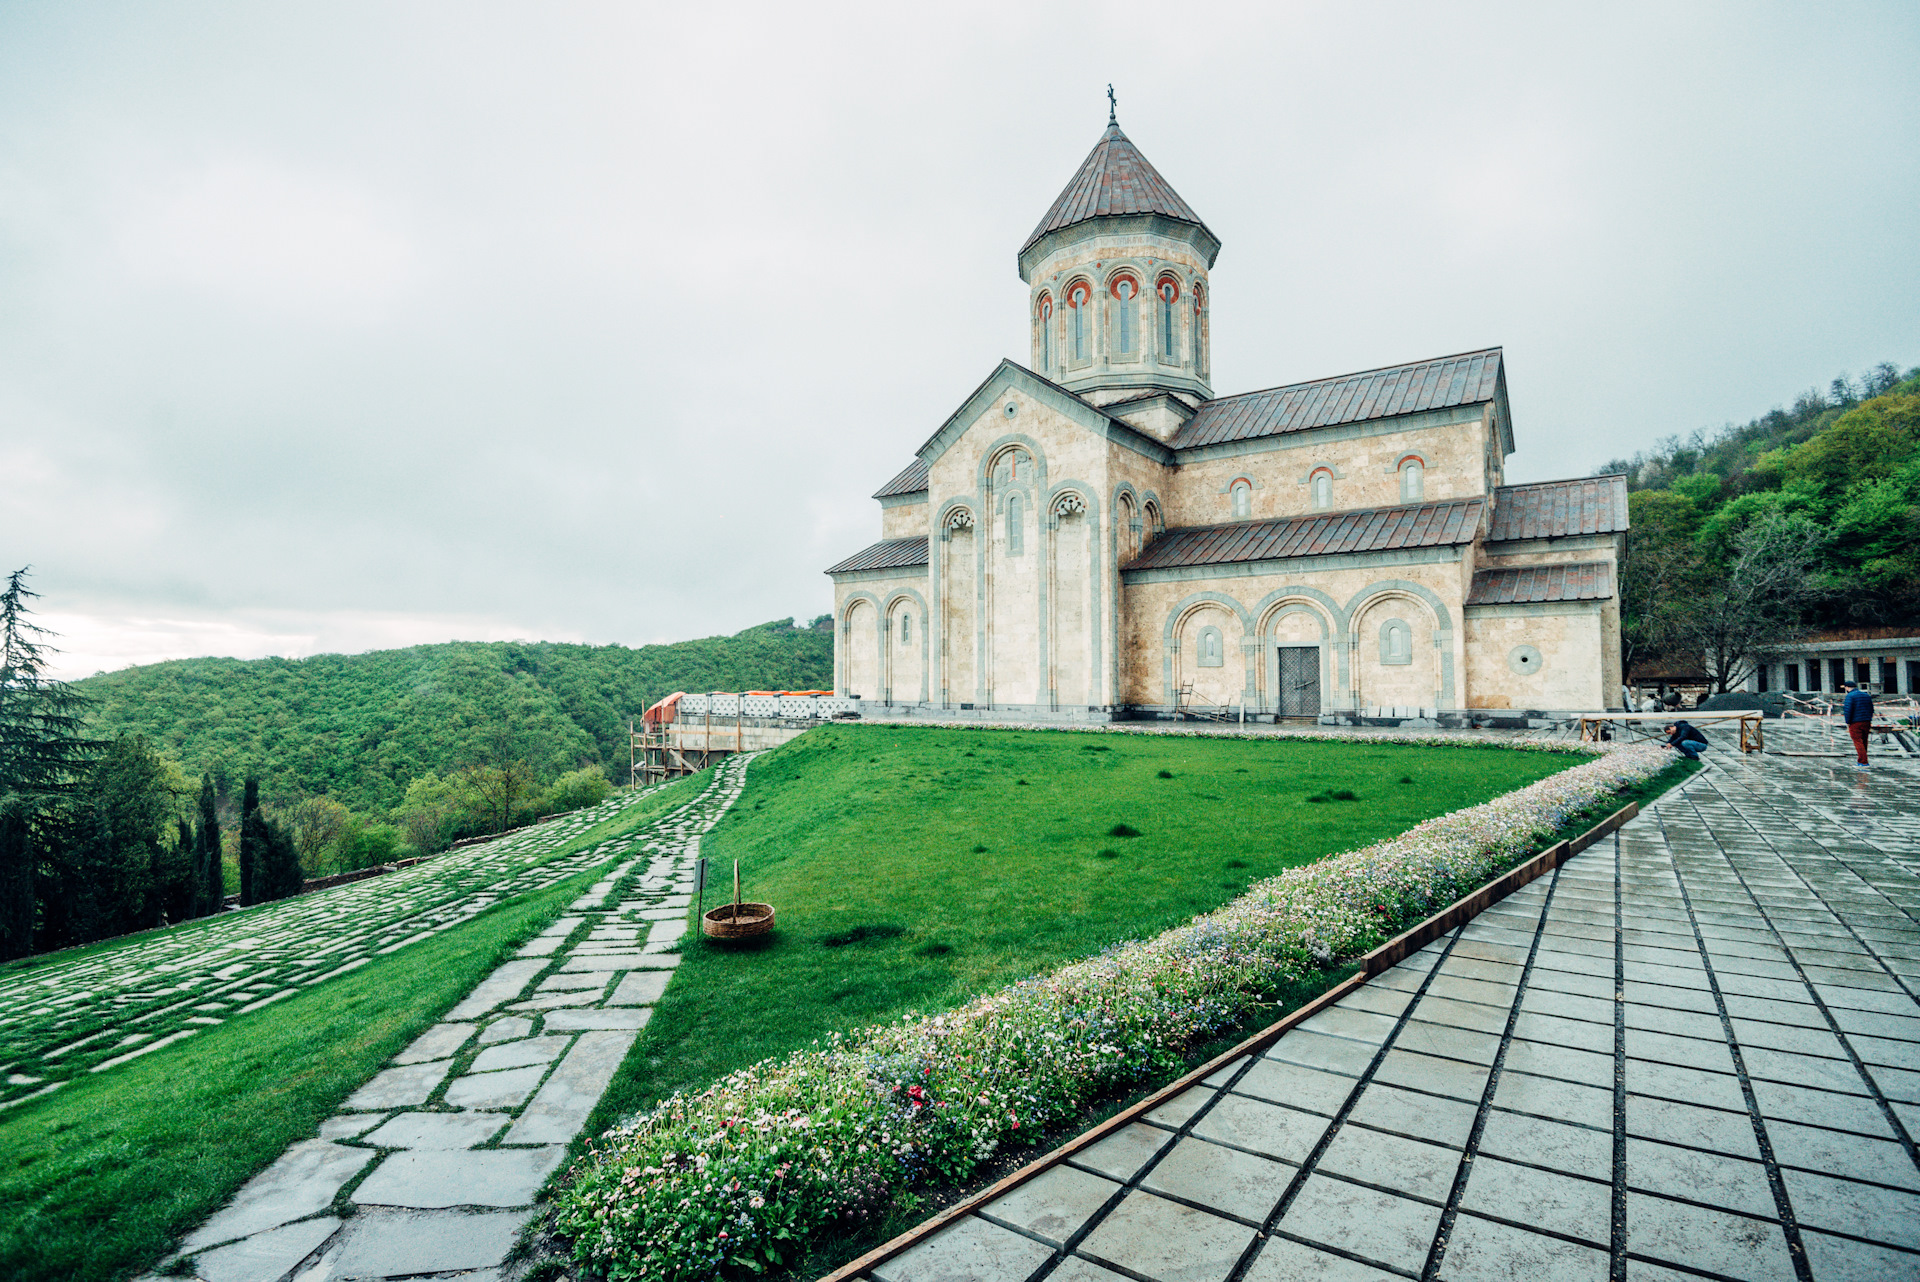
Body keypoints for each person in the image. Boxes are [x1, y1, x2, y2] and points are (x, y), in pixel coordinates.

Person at [1842, 681, 1875, 770]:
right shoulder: (1866, 695)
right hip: (1866, 721)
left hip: (1855, 722)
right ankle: (1863, 760)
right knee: (1864, 741)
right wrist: (1869, 718)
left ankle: (1863, 762)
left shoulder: (1850, 696)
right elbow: (1871, 708)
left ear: (1847, 687)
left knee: (1858, 741)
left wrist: (1847, 722)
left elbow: (1848, 710)